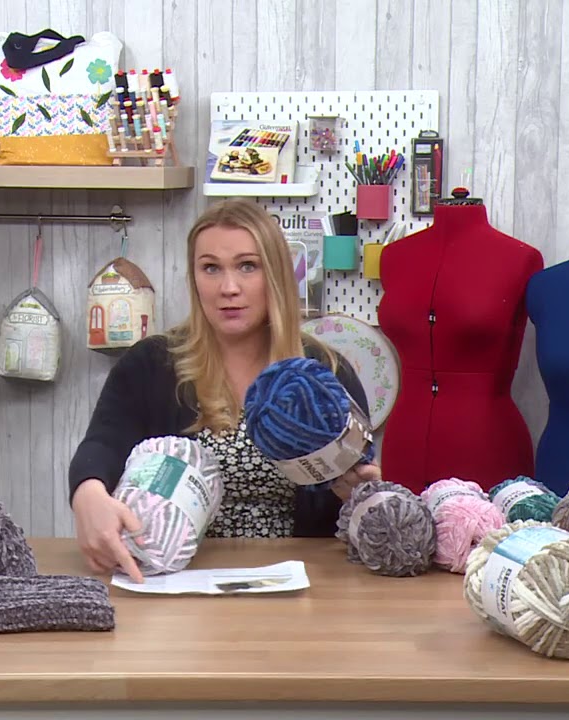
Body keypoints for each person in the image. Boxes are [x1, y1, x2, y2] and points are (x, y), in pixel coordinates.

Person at [67, 199, 382, 582]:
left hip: (303, 584)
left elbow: (355, 502)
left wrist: (354, 496)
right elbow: (102, 445)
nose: (228, 288)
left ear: (275, 275)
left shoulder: (324, 373)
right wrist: (88, 494)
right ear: (194, 277)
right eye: (211, 268)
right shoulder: (149, 364)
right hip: (171, 582)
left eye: (247, 266)